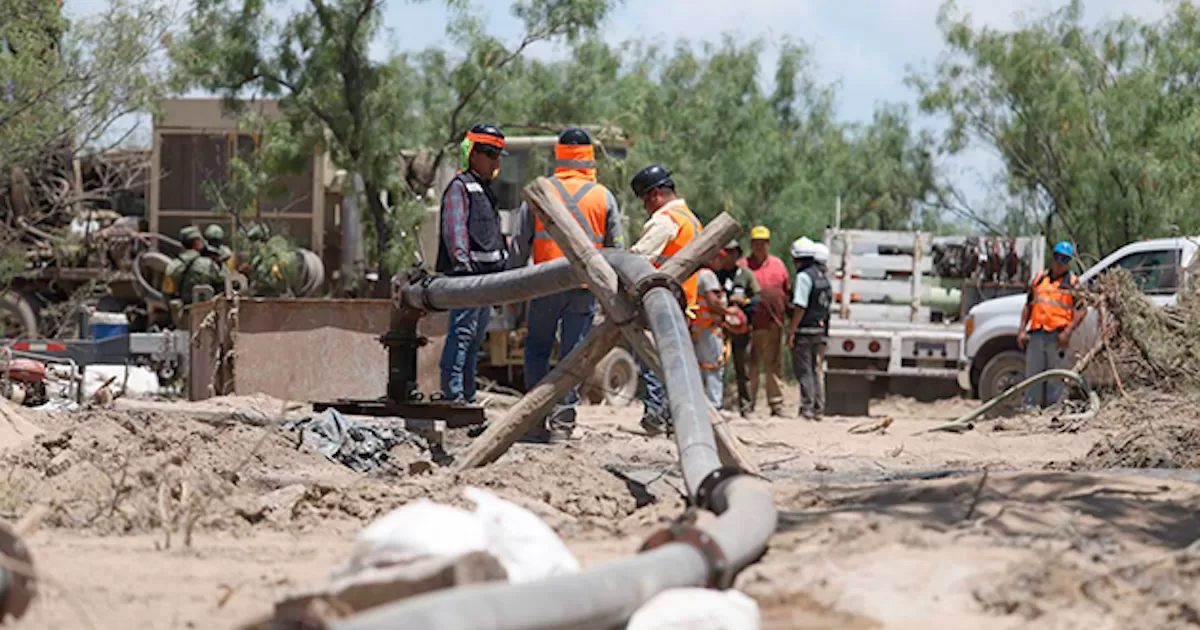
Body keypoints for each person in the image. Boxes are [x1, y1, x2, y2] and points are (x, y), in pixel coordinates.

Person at [509, 128, 624, 440]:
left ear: (559, 154)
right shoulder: (604, 197)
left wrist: (510, 291)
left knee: (536, 350)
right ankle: (563, 422)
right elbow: (617, 251)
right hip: (584, 291)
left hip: (543, 286)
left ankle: (532, 421)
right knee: (574, 354)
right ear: (589, 156)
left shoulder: (540, 190)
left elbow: (519, 246)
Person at [436, 123, 509, 404]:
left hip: (487, 280)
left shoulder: (486, 190)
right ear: (473, 154)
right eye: (491, 154)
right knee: (462, 334)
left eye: (498, 155)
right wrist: (464, 268)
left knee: (476, 339)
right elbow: (455, 231)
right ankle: (453, 394)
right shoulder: (460, 187)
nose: (496, 161)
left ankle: (467, 394)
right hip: (468, 279)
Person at [628, 163, 703, 435]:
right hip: (685, 301)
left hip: (660, 301)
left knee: (654, 360)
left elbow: (638, 258)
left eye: (645, 200)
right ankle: (674, 419)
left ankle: (656, 415)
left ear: (656, 194)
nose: (645, 207)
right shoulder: (691, 219)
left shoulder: (666, 219)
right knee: (676, 363)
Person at [1018, 241, 1083, 408]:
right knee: (1033, 376)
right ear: (1052, 257)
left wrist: (1068, 332)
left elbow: (1082, 311)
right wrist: (1021, 330)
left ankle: (1054, 412)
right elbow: (1028, 305)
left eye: (1064, 259)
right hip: (1037, 334)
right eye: (1057, 257)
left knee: (1055, 378)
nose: (1059, 262)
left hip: (1057, 337)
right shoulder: (1040, 279)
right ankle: (1030, 411)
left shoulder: (1073, 283)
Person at [743, 225, 791, 416]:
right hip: (750, 325)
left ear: (769, 244)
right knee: (751, 364)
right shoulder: (743, 266)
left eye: (763, 243)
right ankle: (749, 403)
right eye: (756, 243)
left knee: (774, 364)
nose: (759, 247)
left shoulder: (778, 265)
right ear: (751, 244)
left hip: (774, 324)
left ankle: (776, 404)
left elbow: (787, 291)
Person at [786, 237, 832, 420]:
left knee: (804, 370)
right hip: (819, 329)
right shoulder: (822, 276)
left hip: (805, 330)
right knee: (813, 369)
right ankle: (818, 408)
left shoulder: (804, 277)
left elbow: (800, 306)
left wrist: (791, 330)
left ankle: (807, 408)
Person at [713, 240, 759, 416]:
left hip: (740, 328)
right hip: (718, 326)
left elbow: (757, 298)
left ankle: (745, 406)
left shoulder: (745, 275)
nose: (729, 256)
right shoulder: (716, 274)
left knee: (742, 367)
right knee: (716, 363)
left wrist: (744, 304)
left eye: (733, 252)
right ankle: (717, 403)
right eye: (727, 252)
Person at [692, 263, 732, 408]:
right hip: (708, 328)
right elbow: (713, 302)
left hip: (696, 327)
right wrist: (730, 312)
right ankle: (714, 406)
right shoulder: (707, 275)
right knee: (714, 366)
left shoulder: (693, 275)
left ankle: (700, 405)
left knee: (699, 367)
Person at [164, 225, 225, 305]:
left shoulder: (173, 265)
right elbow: (223, 282)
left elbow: (167, 293)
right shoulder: (208, 263)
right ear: (197, 243)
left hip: (182, 311)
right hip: (204, 310)